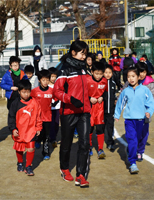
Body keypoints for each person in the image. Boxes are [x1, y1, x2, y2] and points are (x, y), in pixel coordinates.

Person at [53, 39, 91, 187]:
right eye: (82, 53)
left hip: (84, 112)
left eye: (85, 54)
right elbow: (56, 91)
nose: (84, 56)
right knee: (67, 143)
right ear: (73, 52)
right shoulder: (64, 69)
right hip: (68, 112)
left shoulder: (83, 69)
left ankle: (81, 175)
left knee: (85, 143)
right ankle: (64, 168)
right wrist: (71, 99)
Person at [115, 67, 154, 174]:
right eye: (128, 77)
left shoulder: (145, 90)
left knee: (137, 140)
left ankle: (132, 151)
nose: (131, 79)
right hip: (129, 120)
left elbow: (151, 103)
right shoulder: (126, 91)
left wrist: (149, 112)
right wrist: (117, 114)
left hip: (140, 120)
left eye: (133, 76)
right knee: (132, 140)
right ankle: (133, 163)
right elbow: (120, 103)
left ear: (138, 77)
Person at [8, 79, 42, 176]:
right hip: (19, 131)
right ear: (19, 92)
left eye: (28, 92)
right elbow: (11, 117)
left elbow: (38, 116)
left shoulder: (35, 103)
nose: (26, 94)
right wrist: (13, 129)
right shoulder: (15, 104)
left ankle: (28, 166)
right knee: (19, 149)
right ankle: (19, 162)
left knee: (31, 149)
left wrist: (38, 127)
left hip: (31, 130)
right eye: (23, 92)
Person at [31, 69, 53, 160]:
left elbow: (56, 98)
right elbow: (31, 101)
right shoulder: (35, 91)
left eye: (47, 79)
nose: (45, 82)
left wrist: (53, 104)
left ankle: (46, 152)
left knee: (47, 136)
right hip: (38, 117)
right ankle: (38, 140)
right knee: (39, 133)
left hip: (48, 117)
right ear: (39, 80)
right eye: (43, 80)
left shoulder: (52, 90)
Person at [87, 62, 108, 158]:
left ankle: (100, 149)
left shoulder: (104, 81)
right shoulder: (87, 80)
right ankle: (89, 147)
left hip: (100, 108)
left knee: (100, 128)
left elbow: (106, 93)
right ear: (92, 72)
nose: (99, 76)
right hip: (89, 108)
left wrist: (102, 97)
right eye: (96, 73)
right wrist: (89, 98)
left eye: (100, 74)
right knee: (90, 128)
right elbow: (82, 93)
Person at [103, 64, 116, 151]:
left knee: (110, 126)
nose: (108, 74)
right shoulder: (101, 83)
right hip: (102, 110)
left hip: (111, 110)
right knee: (102, 127)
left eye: (109, 72)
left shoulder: (113, 83)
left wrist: (115, 100)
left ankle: (110, 143)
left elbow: (114, 95)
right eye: (106, 72)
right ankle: (102, 141)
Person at [48, 67, 60, 148]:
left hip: (58, 107)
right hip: (49, 109)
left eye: (55, 76)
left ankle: (53, 136)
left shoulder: (58, 85)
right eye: (52, 76)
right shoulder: (46, 86)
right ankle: (53, 139)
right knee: (51, 124)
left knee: (56, 124)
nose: (53, 78)